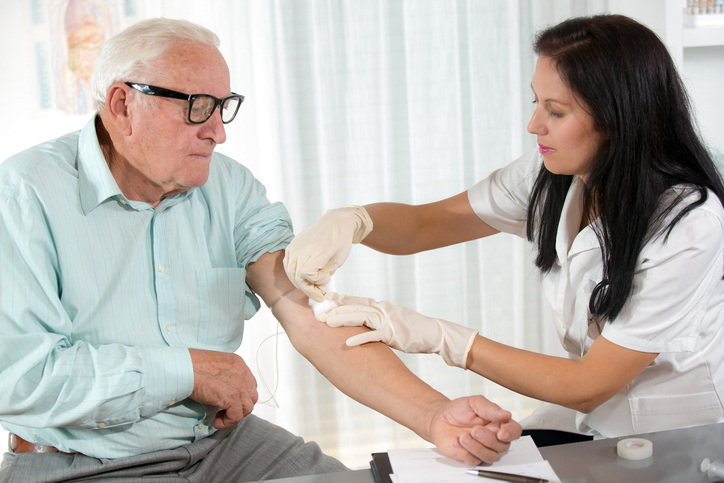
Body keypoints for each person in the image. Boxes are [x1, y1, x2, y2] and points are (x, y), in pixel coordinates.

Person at [0, 18, 522, 483]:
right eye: (197, 108)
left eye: (223, 107)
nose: (219, 132)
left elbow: (311, 317)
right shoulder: (23, 196)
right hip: (77, 462)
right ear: (122, 105)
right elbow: (17, 376)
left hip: (223, 448)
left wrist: (433, 416)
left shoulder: (228, 188)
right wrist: (187, 371)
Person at [284, 14, 724, 447]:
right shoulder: (551, 174)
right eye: (536, 102)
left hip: (676, 436)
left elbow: (590, 383)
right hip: (593, 420)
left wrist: (443, 338)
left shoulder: (687, 223)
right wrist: (354, 221)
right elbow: (424, 225)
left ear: (618, 118)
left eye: (556, 110)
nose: (534, 125)